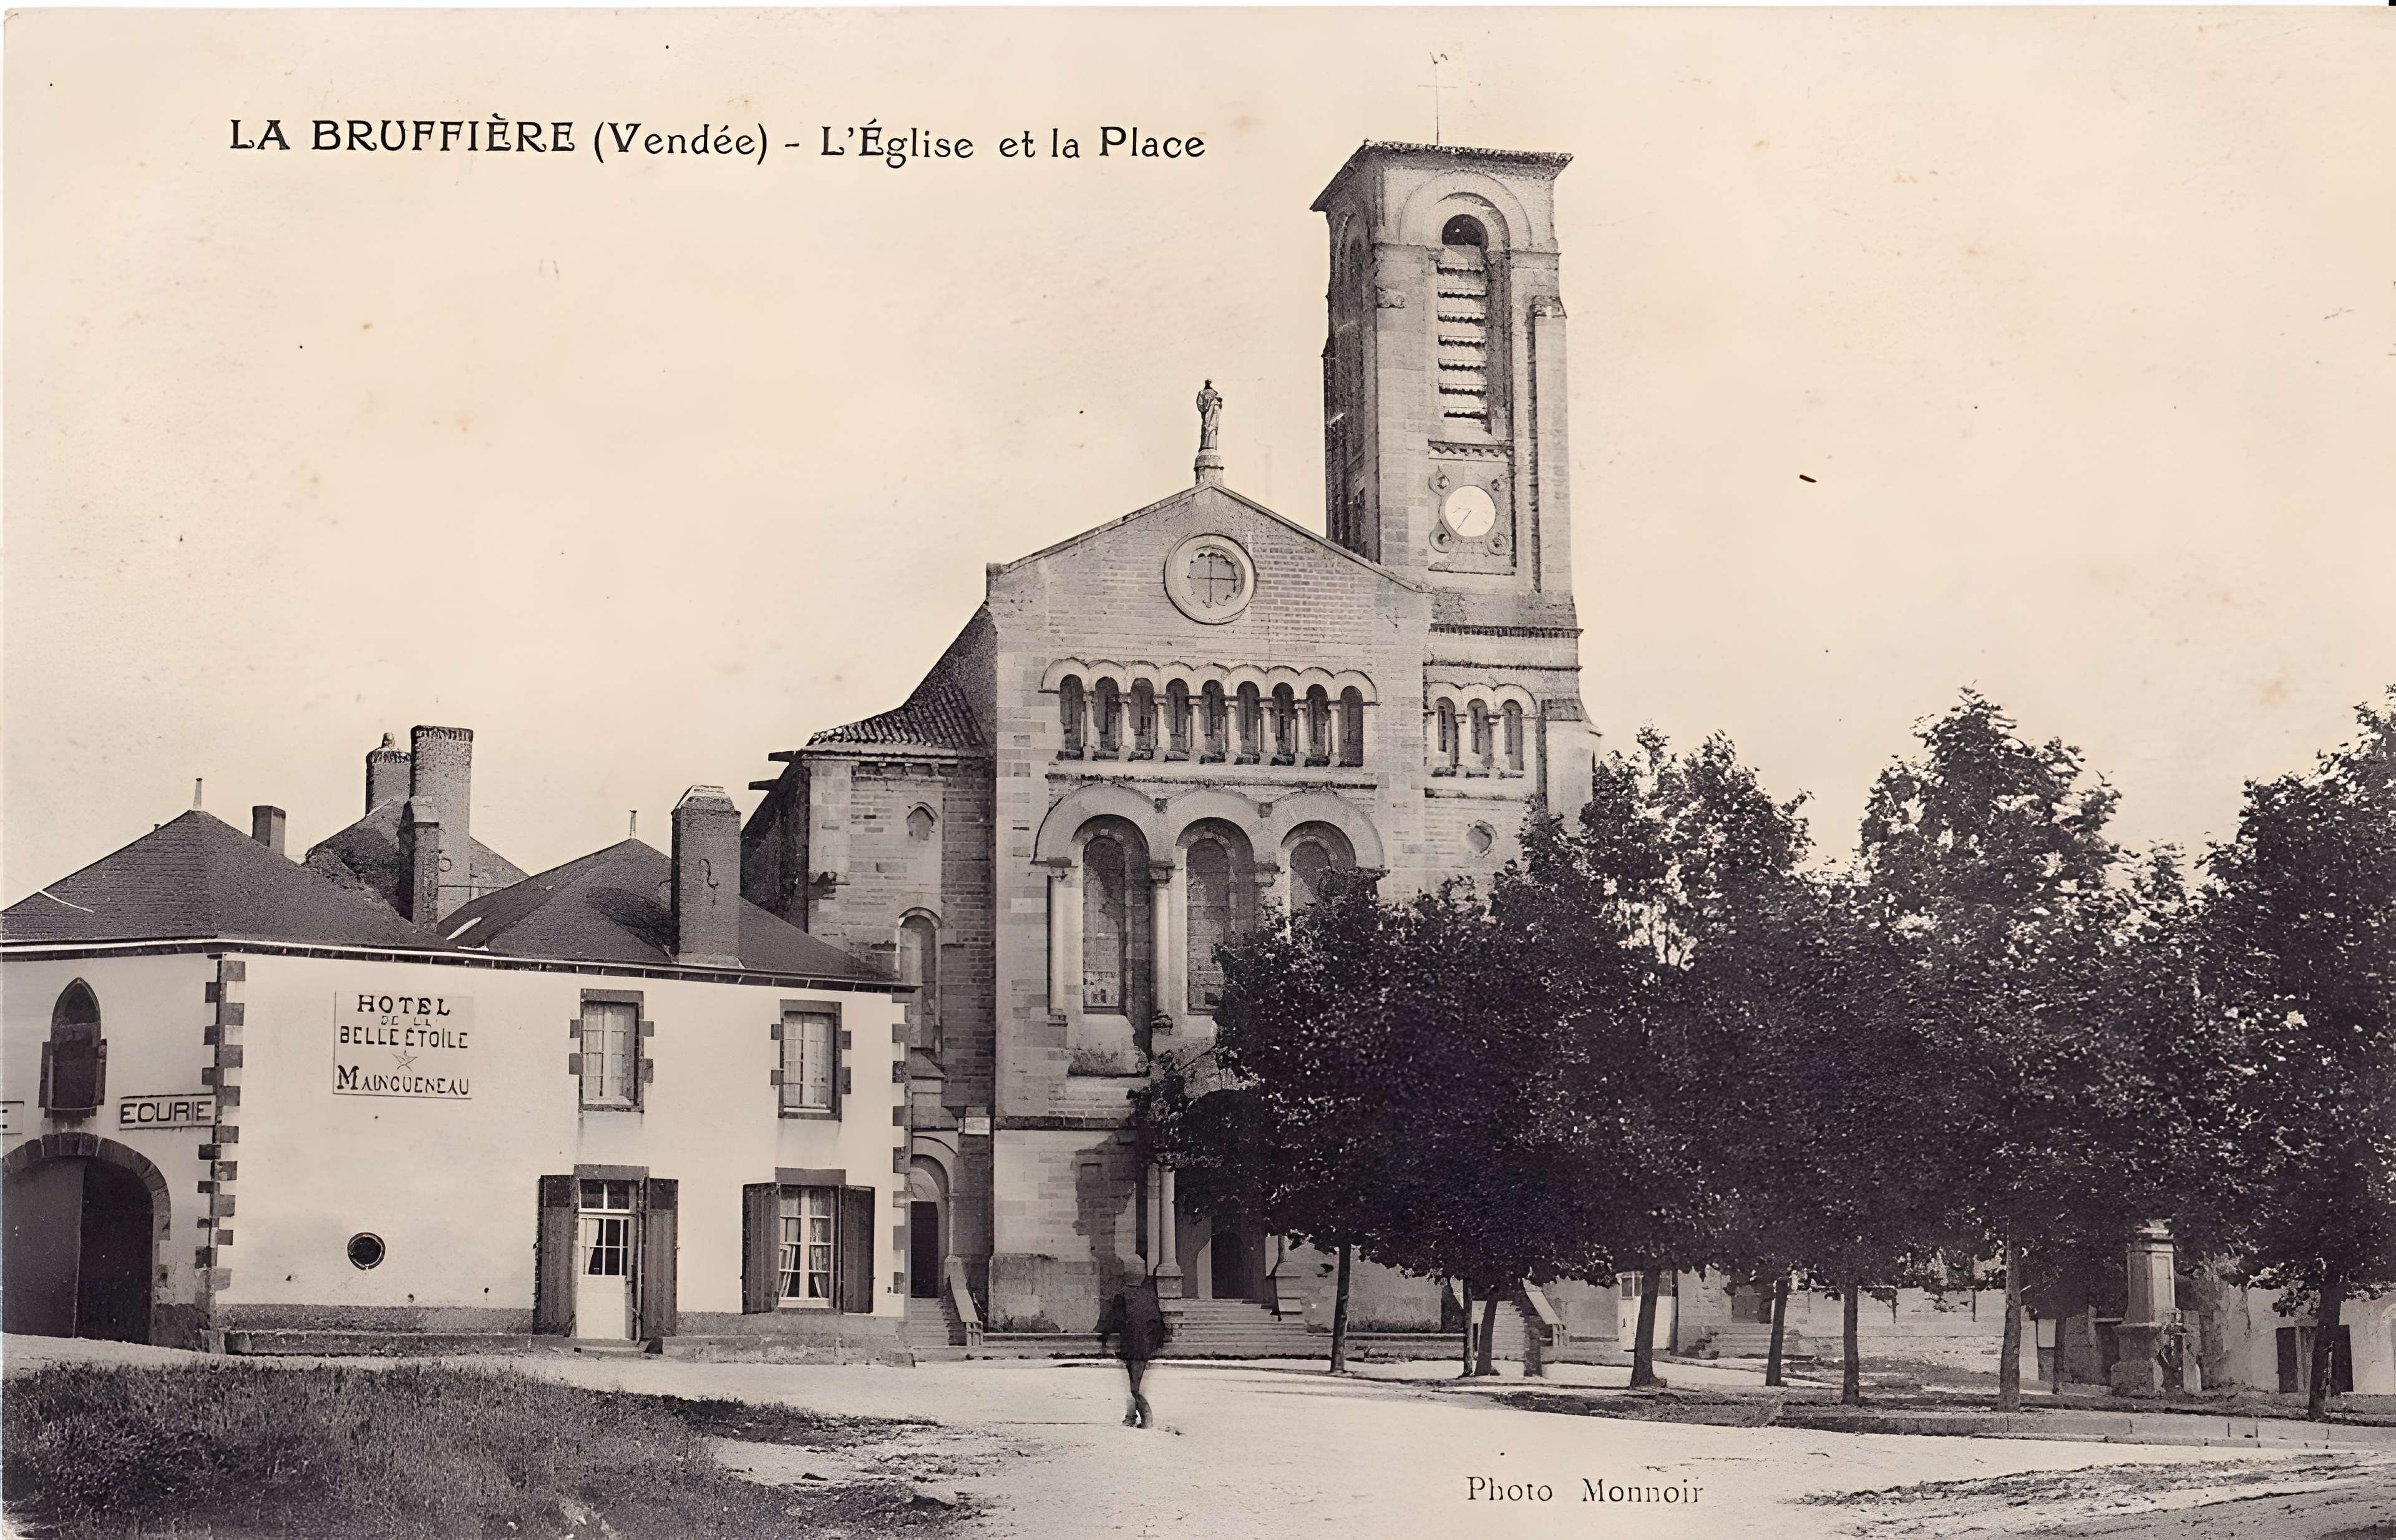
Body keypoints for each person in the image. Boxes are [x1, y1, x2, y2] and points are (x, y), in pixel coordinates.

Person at [1095, 1269, 1171, 1428]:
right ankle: (1130, 1417)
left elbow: (1113, 1318)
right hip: (1144, 1346)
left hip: (1131, 1345)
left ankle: (1146, 1418)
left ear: (1126, 1279)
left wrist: (1103, 1337)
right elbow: (1158, 1321)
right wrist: (1156, 1343)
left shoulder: (1123, 1295)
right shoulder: (1149, 1295)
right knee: (1134, 1384)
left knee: (1133, 1386)